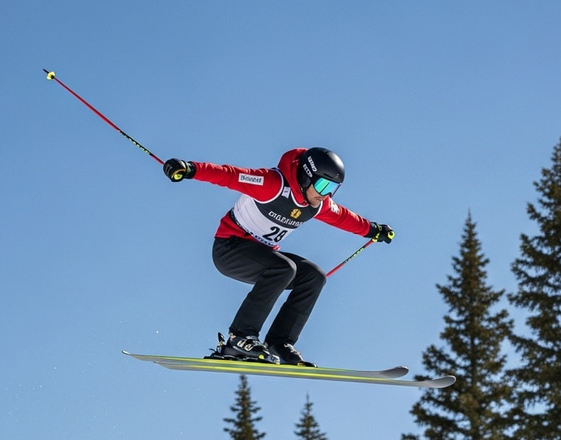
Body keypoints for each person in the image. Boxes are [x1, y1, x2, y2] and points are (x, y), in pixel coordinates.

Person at [163, 147, 393, 366]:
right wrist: (189, 168)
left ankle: (279, 343)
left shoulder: (317, 204)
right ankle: (239, 338)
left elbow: (342, 216)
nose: (325, 195)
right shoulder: (272, 184)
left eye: (332, 188)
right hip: (229, 248)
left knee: (314, 276)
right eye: (322, 185)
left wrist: (373, 229)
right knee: (284, 268)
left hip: (262, 255)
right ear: (306, 177)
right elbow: (231, 175)